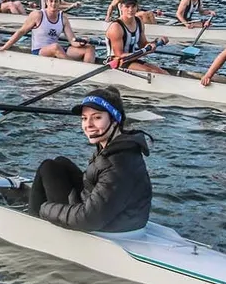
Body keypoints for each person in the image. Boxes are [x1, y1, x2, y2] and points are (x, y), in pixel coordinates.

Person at [30, 87, 152, 233]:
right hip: (112, 215)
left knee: (47, 169)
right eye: (84, 118)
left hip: (113, 227)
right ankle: (34, 215)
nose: (88, 124)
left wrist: (44, 208)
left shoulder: (119, 165)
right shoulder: (115, 145)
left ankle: (33, 224)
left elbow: (89, 219)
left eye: (97, 117)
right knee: (56, 165)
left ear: (115, 120)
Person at [0, 0, 96, 62]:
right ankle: (74, 68)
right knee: (56, 47)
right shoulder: (37, 15)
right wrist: (5, 47)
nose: (53, 4)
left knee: (89, 48)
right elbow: (21, 31)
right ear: (46, 2)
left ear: (59, 3)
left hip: (57, 50)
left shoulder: (63, 18)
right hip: (39, 51)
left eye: (56, 1)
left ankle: (87, 71)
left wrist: (82, 42)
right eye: (51, 1)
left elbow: (72, 41)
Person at [106, 0, 168, 74]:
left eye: (133, 6)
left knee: (163, 72)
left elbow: (143, 44)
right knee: (151, 72)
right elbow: (119, 55)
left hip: (132, 59)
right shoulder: (116, 27)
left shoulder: (139, 21)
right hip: (117, 62)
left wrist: (155, 42)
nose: (130, 10)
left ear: (137, 7)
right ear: (121, 7)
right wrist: (146, 51)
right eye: (127, 6)